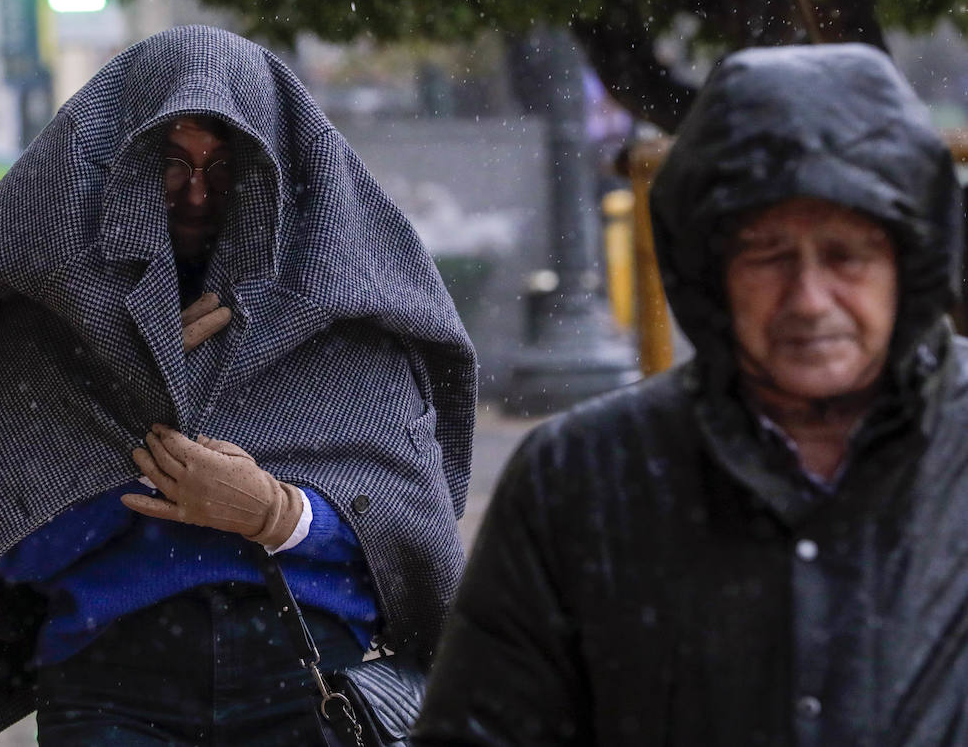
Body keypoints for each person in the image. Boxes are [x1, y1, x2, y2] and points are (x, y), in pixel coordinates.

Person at [0, 25, 477, 746]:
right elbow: (9, 546)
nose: (197, 194)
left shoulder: (345, 325)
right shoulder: (50, 326)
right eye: (170, 164)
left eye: (224, 165)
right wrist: (158, 455)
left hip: (310, 681)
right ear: (119, 167)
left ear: (275, 171)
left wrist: (278, 513)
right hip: (109, 683)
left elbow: (410, 539)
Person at [412, 42, 968, 746]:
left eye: (846, 255)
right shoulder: (579, 477)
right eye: (767, 256)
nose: (810, 300)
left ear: (907, 262)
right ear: (711, 270)